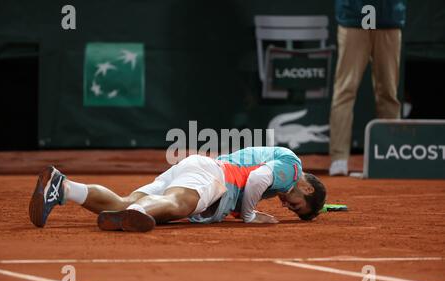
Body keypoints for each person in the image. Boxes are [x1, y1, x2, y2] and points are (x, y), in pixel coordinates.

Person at [29, 147, 327, 232]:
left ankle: (64, 188)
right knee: (180, 203)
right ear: (307, 188)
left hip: (194, 168)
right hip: (213, 175)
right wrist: (249, 217)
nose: (288, 206)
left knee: (123, 202)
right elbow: (256, 180)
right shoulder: (293, 169)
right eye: (297, 205)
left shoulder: (280, 184)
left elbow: (258, 183)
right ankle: (140, 212)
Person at [329, 0, 406, 176]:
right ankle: (339, 157)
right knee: (345, 91)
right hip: (353, 18)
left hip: (388, 18)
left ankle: (392, 156)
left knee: (388, 93)